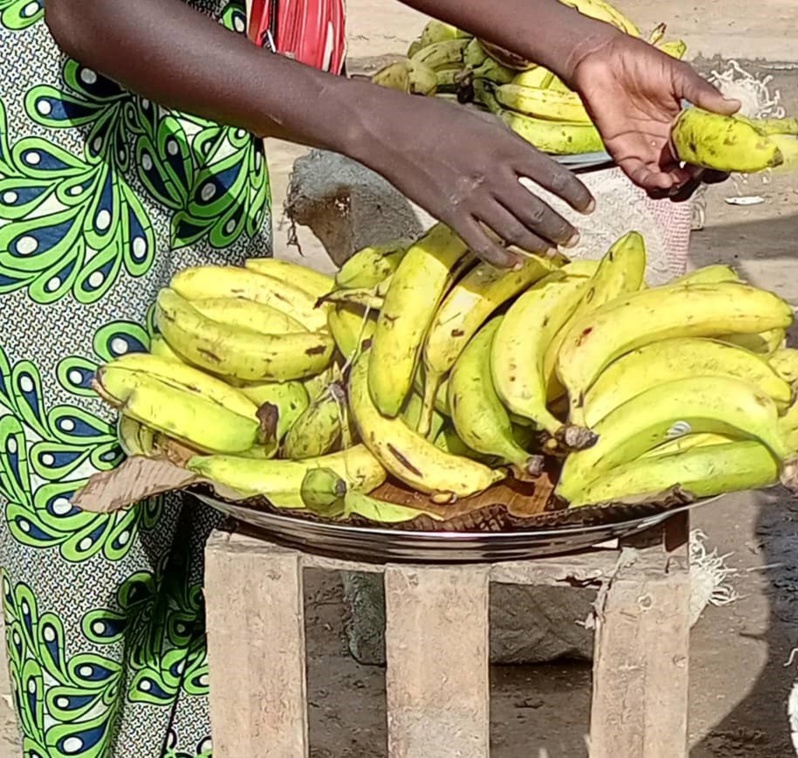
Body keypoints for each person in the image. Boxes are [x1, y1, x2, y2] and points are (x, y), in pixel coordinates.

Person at [0, 0, 739, 754]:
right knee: (89, 548)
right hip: (50, 151)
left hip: (196, 110)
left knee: (201, 494)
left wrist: (582, 46)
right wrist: (367, 120)